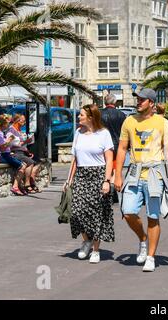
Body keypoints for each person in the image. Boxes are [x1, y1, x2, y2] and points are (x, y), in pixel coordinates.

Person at [114, 88, 168, 272]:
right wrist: (118, 174)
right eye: (138, 99)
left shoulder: (162, 123)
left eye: (142, 100)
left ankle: (150, 256)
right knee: (127, 212)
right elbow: (121, 149)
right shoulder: (129, 121)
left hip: (154, 174)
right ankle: (143, 239)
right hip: (134, 172)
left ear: (151, 103)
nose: (138, 102)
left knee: (153, 216)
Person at [65, 104, 115, 264]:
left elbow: (109, 160)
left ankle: (95, 250)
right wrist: (69, 179)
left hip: (98, 175)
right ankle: (86, 240)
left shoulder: (104, 134)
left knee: (96, 214)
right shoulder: (78, 133)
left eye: (81, 115)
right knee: (76, 212)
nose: (78, 117)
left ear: (91, 117)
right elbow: (74, 159)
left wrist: (107, 180)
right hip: (81, 175)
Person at [0, 114, 27, 196]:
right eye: (7, 123)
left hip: (6, 154)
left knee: (23, 164)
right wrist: (10, 140)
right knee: (22, 166)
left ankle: (19, 186)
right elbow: (3, 147)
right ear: (3, 124)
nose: (8, 125)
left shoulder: (0, 132)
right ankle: (15, 187)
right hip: (1, 156)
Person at [100, 94, 126, 202]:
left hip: (102, 145)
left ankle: (107, 189)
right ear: (115, 102)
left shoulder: (99, 114)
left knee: (106, 167)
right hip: (117, 145)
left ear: (105, 102)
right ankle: (114, 190)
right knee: (116, 168)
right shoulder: (121, 114)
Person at [9, 114, 41, 194]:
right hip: (15, 152)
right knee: (30, 162)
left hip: (22, 151)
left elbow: (21, 145)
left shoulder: (19, 130)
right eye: (22, 120)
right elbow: (13, 144)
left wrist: (27, 151)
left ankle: (31, 182)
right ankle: (27, 185)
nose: (24, 122)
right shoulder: (11, 130)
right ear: (17, 120)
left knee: (37, 162)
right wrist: (26, 141)